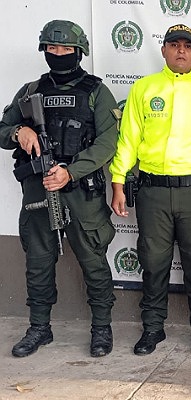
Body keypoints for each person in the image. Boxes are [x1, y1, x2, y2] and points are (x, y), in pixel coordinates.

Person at [0, 20, 119, 357]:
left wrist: (70, 172)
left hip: (80, 190)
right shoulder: (29, 92)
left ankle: (101, 328)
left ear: (79, 52)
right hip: (39, 189)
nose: (58, 53)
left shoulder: (96, 92)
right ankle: (39, 328)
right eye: (52, 48)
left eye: (66, 48)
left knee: (93, 260)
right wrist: (18, 133)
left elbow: (107, 143)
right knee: (38, 261)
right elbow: (3, 129)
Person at [109, 24, 191, 357]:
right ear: (164, 50)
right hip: (153, 191)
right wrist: (117, 182)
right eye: (174, 45)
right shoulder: (144, 88)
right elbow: (129, 138)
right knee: (153, 263)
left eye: (187, 46)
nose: (180, 51)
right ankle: (152, 329)